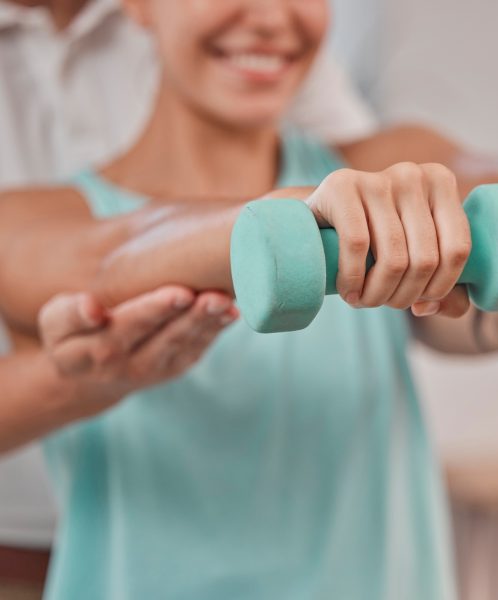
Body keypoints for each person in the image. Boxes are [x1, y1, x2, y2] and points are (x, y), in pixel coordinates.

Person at [0, 1, 498, 598]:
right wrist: (285, 216)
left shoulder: (381, 168)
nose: (269, 15)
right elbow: (106, 262)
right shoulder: (37, 214)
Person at [0, 0, 384, 589]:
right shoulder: (37, 222)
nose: (269, 16)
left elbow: (363, 164)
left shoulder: (296, 94)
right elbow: (93, 252)